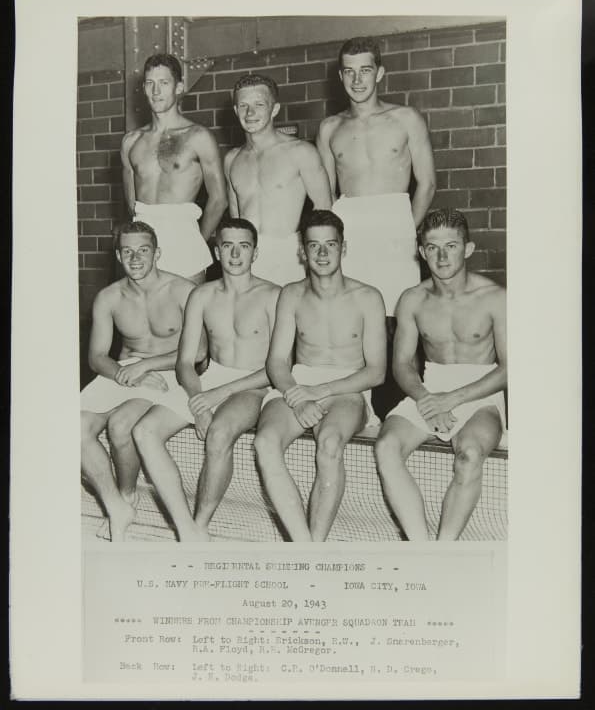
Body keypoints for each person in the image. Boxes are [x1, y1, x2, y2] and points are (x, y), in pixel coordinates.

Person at [131, 218, 280, 541]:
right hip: (210, 379)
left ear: (255, 253)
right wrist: (199, 402)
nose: (236, 254)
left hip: (253, 385)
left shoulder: (274, 295)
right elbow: (187, 362)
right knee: (144, 431)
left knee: (219, 433)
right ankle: (185, 525)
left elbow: (279, 366)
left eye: (244, 246)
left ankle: (200, 524)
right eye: (227, 246)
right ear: (216, 251)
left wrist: (217, 396)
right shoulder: (202, 295)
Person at [253, 209, 386, 542]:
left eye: (331, 245)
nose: (323, 253)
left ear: (344, 248)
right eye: (314, 246)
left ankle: (317, 541)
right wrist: (296, 395)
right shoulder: (291, 294)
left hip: (347, 388)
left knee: (328, 444)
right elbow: (277, 362)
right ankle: (304, 547)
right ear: (302, 251)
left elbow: (376, 372)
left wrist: (319, 391)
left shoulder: (368, 297)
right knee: (265, 442)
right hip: (297, 384)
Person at [374, 208, 507, 541]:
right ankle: (422, 549)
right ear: (422, 251)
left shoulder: (495, 298)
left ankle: (445, 548)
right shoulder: (411, 299)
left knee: (470, 455)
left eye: (451, 245)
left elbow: (511, 368)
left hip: (481, 395)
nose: (442, 255)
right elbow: (402, 364)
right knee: (387, 446)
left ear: (468, 248)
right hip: (429, 390)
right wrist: (425, 399)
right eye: (432, 247)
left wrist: (452, 399)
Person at [80, 221, 195, 542]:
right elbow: (98, 356)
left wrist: (147, 366)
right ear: (118, 256)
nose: (135, 258)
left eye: (143, 250)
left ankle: (128, 495)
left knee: (120, 426)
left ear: (157, 253)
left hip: (170, 369)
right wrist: (123, 373)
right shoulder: (108, 297)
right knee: (75, 428)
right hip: (125, 371)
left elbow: (198, 351)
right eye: (127, 251)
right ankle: (116, 505)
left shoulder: (183, 290)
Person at [316, 36, 437, 317]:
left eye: (365, 70)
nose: (357, 80)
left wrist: (406, 227)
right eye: (349, 71)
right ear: (340, 76)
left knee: (395, 317)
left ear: (380, 73)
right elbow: (325, 196)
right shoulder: (329, 128)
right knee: (349, 315)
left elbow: (428, 183)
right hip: (349, 225)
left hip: (395, 222)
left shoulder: (406, 118)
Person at [121, 53, 228, 285]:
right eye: (150, 83)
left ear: (179, 87)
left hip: (184, 236)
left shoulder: (198, 136)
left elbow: (219, 198)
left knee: (186, 317)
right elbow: (131, 201)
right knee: (143, 317)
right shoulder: (131, 141)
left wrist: (196, 239)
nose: (156, 91)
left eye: (164, 83)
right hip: (143, 236)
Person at [225, 74, 332, 285]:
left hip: (288, 257)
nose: (250, 113)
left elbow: (325, 210)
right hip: (245, 256)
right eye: (243, 105)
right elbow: (235, 219)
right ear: (236, 111)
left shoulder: (300, 151)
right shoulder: (232, 159)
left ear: (274, 109)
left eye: (259, 104)